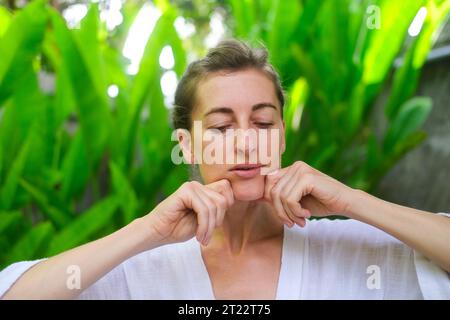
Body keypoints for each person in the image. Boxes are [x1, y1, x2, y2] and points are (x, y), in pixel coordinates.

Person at [1, 39, 449, 300]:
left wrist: (350, 202)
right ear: (187, 144)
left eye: (262, 121)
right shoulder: (140, 269)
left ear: (282, 137)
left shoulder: (350, 251)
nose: (245, 139)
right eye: (220, 126)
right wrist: (145, 231)